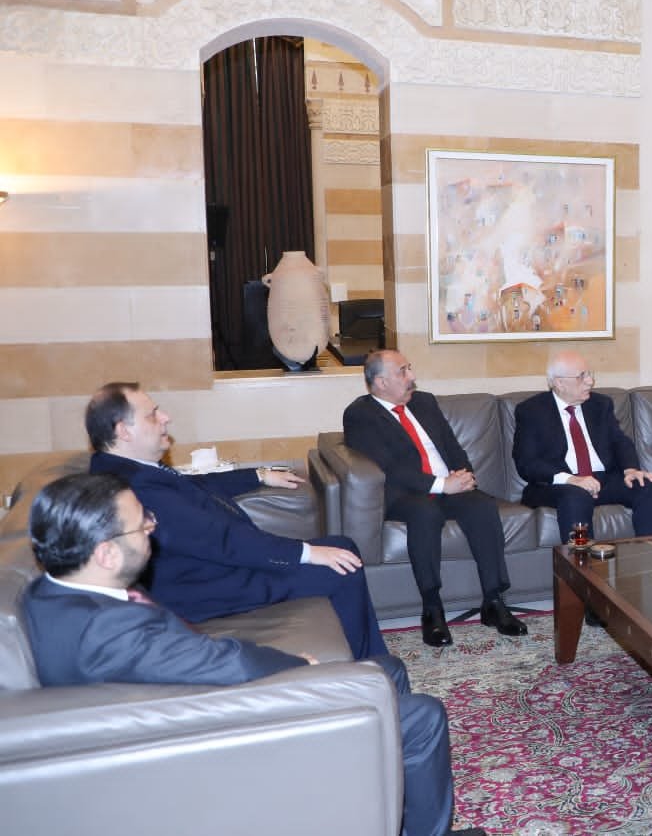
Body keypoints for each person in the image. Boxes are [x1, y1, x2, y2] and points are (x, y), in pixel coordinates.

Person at [22, 472, 485, 836]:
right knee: (422, 716)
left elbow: (197, 658)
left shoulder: (54, 594)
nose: (152, 527)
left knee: (389, 670)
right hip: (223, 731)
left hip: (189, 703)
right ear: (105, 553)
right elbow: (226, 664)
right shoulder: (108, 629)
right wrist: (299, 667)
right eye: (142, 522)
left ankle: (383, 808)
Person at [87, 382, 386, 661]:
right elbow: (221, 540)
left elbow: (196, 485)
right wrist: (305, 553)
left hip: (211, 570)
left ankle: (372, 661)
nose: (166, 417)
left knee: (342, 548)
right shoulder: (136, 486)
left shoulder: (129, 470)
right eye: (152, 414)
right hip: (205, 588)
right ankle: (373, 669)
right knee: (342, 568)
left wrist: (258, 475)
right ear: (123, 431)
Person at [342, 350, 524, 647]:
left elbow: (452, 447)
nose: (412, 377)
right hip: (406, 494)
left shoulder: (424, 402)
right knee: (426, 514)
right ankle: (432, 609)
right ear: (381, 382)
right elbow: (390, 468)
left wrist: (464, 475)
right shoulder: (360, 415)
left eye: (409, 369)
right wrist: (441, 485)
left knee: (482, 506)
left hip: (449, 487)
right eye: (403, 371)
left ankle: (493, 601)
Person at [513, 351, 652, 542]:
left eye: (589, 374)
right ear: (559, 383)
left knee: (649, 486)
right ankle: (582, 561)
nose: (590, 381)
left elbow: (619, 441)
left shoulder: (600, 404)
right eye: (582, 376)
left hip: (601, 480)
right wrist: (571, 479)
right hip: (557, 485)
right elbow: (526, 462)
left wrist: (631, 470)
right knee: (576, 495)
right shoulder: (532, 411)